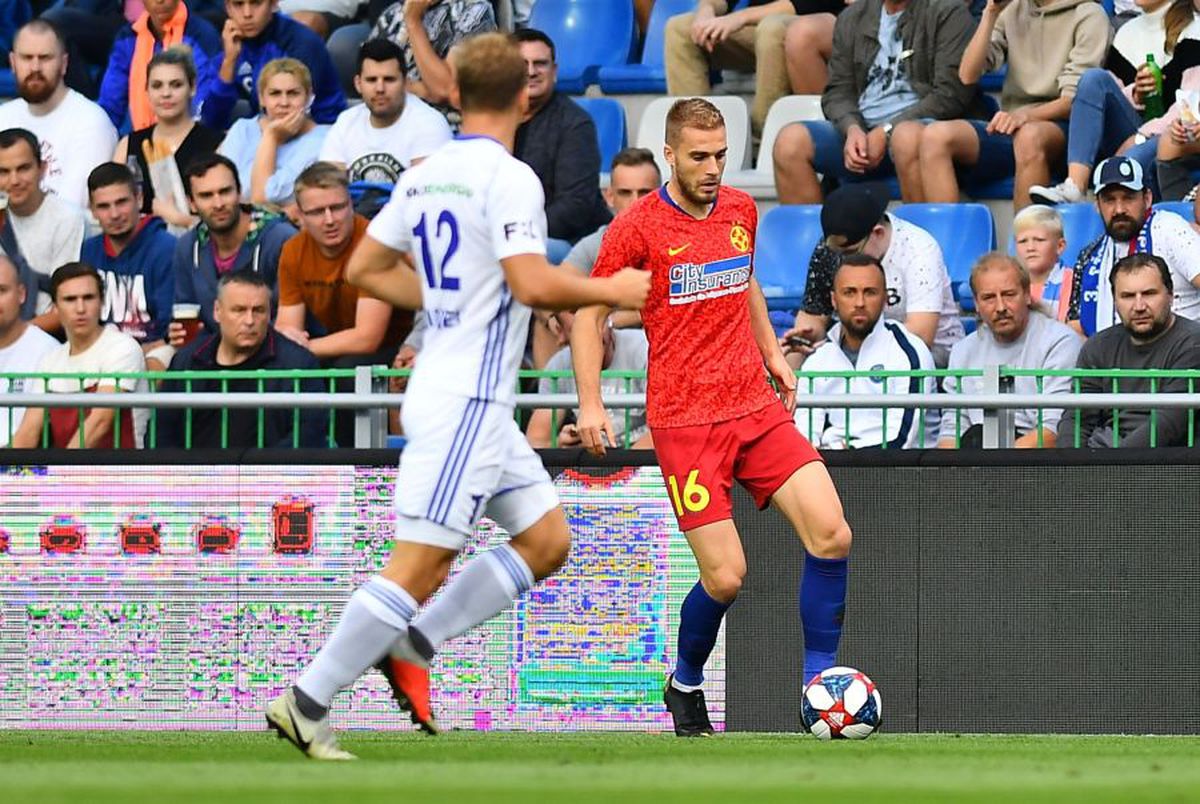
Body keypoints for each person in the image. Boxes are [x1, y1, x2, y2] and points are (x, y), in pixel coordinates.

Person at [265, 32, 650, 760]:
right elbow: (535, 284)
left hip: (471, 395)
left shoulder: (428, 173)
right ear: (526, 95)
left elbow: (369, 266)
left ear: (453, 93)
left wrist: (448, 300)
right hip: (467, 398)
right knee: (421, 562)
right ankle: (306, 702)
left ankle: (415, 645)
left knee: (546, 540)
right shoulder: (511, 178)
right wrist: (611, 287)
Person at [572, 98, 852, 737]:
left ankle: (819, 686)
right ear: (670, 154)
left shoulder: (739, 208)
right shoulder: (638, 227)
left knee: (833, 534)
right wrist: (590, 402)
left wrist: (772, 352)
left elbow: (743, 277)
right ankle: (685, 682)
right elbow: (588, 314)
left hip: (753, 405)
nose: (713, 167)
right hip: (685, 421)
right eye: (699, 156)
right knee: (726, 577)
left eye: (722, 154)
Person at [893, 0, 1111, 210]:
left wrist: (1025, 116)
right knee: (932, 136)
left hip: (1064, 129)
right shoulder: (1012, 9)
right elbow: (968, 74)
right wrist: (990, 13)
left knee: (1029, 136)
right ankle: (937, 241)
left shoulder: (1090, 14)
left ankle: (1025, 241)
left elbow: (1075, 101)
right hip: (1011, 125)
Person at [772, 0, 984, 204]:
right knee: (790, 143)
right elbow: (838, 91)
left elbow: (950, 95)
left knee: (906, 136)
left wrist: (887, 131)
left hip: (918, 132)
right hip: (864, 133)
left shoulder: (948, 12)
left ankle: (921, 236)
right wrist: (852, 128)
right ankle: (818, 240)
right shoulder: (853, 17)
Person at [1030, 0, 1200, 205]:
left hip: (1172, 135)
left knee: (1131, 161)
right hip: (1131, 134)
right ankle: (1075, 184)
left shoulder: (1194, 28)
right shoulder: (1126, 32)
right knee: (1093, 78)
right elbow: (1110, 96)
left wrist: (1141, 136)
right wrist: (1136, 93)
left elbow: (1189, 106)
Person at [783, 183, 964, 367]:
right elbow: (813, 315)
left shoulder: (919, 250)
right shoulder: (831, 248)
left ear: (878, 233)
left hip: (929, 356)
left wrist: (853, 350)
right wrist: (809, 336)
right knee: (793, 356)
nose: (841, 259)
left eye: (850, 252)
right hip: (853, 350)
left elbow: (920, 336)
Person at [157, 269, 327, 449]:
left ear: (270, 313)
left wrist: (256, 472)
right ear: (217, 311)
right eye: (238, 310)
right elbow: (160, 432)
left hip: (269, 474)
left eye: (259, 310)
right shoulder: (187, 362)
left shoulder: (298, 364)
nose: (249, 320)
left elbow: (309, 434)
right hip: (196, 474)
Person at [796, 253, 939, 449]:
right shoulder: (818, 360)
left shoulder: (910, 352)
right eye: (849, 292)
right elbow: (804, 436)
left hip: (903, 473)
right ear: (834, 300)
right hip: (833, 467)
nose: (860, 303)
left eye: (870, 292)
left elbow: (901, 441)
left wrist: (846, 454)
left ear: (886, 299)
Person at [939, 253, 1083, 448]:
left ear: (1027, 295)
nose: (1000, 307)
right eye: (989, 298)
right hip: (974, 454)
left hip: (1033, 461)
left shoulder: (1060, 342)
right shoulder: (962, 350)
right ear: (976, 304)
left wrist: (995, 466)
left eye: (1008, 295)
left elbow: (1054, 429)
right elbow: (952, 428)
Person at [1062, 252, 1200, 447]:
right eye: (1127, 296)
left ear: (1171, 295)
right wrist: (1071, 466)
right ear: (1115, 301)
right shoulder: (1098, 346)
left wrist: (1116, 466)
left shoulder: (1193, 342)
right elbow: (1077, 418)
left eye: (1149, 293)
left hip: (1173, 463)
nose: (1139, 306)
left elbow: (1171, 422)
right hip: (1103, 455)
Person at [10, 262, 147, 450]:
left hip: (119, 473)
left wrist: (60, 474)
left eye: (88, 298)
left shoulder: (122, 347)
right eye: (70, 299)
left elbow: (100, 422)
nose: (80, 308)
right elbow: (28, 432)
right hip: (68, 472)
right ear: (55, 308)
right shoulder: (51, 360)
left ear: (102, 303)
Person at [663, 0, 846, 136]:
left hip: (812, 28)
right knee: (679, 28)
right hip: (756, 28)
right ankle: (694, 133)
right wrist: (705, 13)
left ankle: (764, 138)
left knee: (771, 28)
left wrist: (739, 17)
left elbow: (810, 3)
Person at [1067, 156, 1200, 336]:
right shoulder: (1089, 255)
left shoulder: (1169, 229)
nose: (1119, 209)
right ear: (1097, 205)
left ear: (1147, 199)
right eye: (1109, 200)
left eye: (1128, 198)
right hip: (1112, 357)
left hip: (1181, 353)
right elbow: (1076, 327)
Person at [171, 153, 297, 341]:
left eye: (225, 192)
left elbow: (287, 322)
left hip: (270, 353)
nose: (218, 203)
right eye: (206, 196)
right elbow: (186, 311)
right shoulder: (188, 246)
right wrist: (178, 334)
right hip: (211, 354)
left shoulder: (281, 240)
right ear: (192, 203)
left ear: (239, 192)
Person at [512, 29, 611, 262]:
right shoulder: (495, 119)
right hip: (513, 235)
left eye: (540, 64)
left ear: (554, 72)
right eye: (522, 63)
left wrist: (516, 232)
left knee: (519, 255)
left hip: (566, 241)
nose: (531, 71)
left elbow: (574, 208)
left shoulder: (575, 124)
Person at [0, 20, 118, 207]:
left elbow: (72, 212)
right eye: (27, 58)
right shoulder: (3, 117)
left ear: (64, 64)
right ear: (13, 62)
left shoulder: (91, 122)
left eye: (45, 58)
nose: (35, 67)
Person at [80, 162, 179, 373]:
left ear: (139, 198)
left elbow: (167, 325)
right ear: (92, 210)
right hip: (102, 348)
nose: (114, 214)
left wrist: (130, 352)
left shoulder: (166, 248)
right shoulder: (89, 250)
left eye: (122, 202)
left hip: (151, 349)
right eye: (104, 206)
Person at [115, 46, 225, 230]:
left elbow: (225, 218)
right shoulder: (129, 144)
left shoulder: (216, 145)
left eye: (176, 85)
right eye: (157, 85)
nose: (166, 93)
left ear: (192, 88)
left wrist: (177, 218)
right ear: (147, 91)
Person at [318, 37, 452, 184]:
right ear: (358, 84)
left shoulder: (429, 124)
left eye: (389, 79)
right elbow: (327, 186)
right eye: (371, 80)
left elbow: (425, 195)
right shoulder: (346, 122)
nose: (380, 89)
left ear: (405, 82)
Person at [201, 0, 346, 131]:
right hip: (267, 130)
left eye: (256, 3)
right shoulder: (231, 42)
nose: (247, 14)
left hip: (320, 131)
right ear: (228, 7)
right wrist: (229, 62)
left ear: (274, 3)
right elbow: (211, 121)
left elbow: (292, 114)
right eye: (238, 4)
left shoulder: (301, 42)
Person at [0, 127, 88, 333]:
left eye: (23, 168)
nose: (14, 180)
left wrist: (14, 339)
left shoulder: (67, 218)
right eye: (3, 172)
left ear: (42, 168)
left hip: (48, 337)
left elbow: (68, 306)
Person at [526, 311, 651, 449]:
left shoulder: (645, 349)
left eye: (597, 322)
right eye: (580, 330)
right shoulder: (558, 366)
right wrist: (558, 445)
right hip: (593, 463)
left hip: (642, 463)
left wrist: (625, 466)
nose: (591, 334)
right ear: (561, 334)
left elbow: (664, 431)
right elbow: (535, 441)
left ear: (609, 321)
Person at [217, 57, 330, 206]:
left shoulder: (324, 140)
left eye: (293, 93)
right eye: (275, 93)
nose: (284, 103)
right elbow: (218, 188)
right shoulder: (242, 129)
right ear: (261, 98)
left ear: (308, 96)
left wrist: (271, 137)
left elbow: (264, 198)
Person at [97, 0, 222, 131]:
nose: (159, 1)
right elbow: (111, 107)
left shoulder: (202, 36)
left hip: (191, 138)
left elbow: (205, 105)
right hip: (141, 139)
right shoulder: (127, 38)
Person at [365, 0, 496, 116]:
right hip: (388, 119)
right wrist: (423, 89)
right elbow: (369, 82)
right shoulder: (393, 13)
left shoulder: (473, 11)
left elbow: (445, 90)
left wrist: (413, 22)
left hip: (443, 126)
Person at [0, 255, 58, 447]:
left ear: (21, 294)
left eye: (2, 290)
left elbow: (31, 435)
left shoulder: (47, 351)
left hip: (22, 470)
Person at [1012, 204, 1073, 322]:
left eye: (1039, 240)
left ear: (1060, 246)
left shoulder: (1074, 281)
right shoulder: (1010, 283)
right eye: (1022, 241)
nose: (1030, 248)